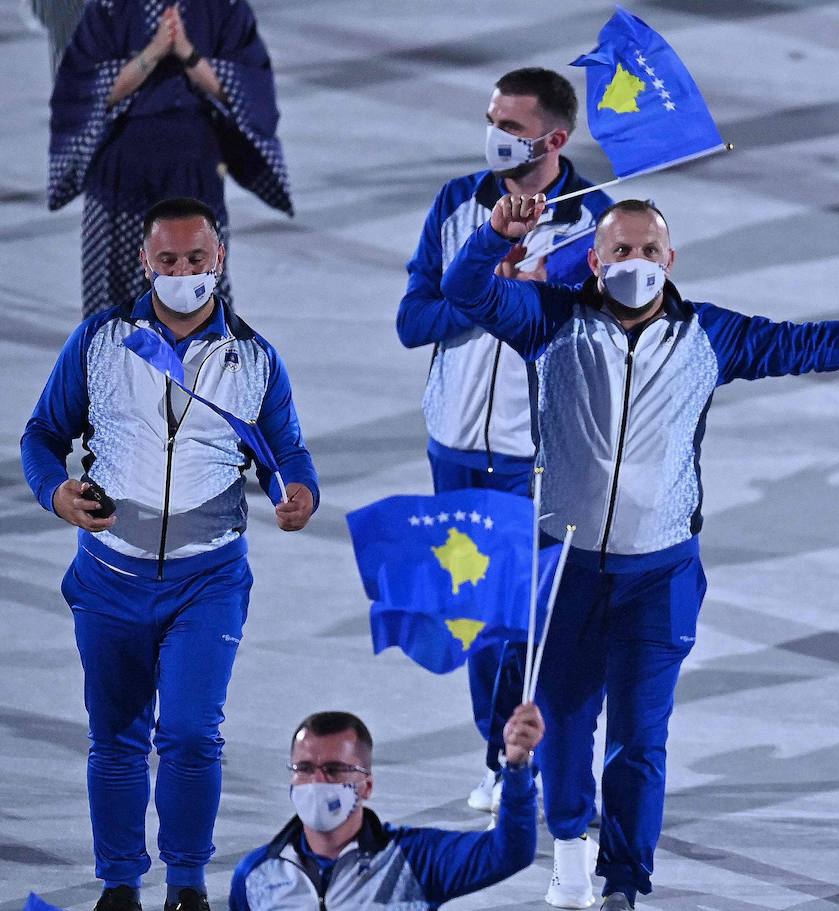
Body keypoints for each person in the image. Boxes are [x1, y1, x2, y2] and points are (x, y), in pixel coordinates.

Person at [440, 192, 839, 910]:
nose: (633, 262)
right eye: (619, 251)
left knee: (640, 737)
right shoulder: (550, 320)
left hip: (658, 574)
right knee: (565, 721)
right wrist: (492, 237)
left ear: (670, 260)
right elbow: (463, 291)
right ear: (595, 260)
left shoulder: (711, 336)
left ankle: (625, 881)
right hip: (563, 566)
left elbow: (810, 344)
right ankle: (569, 846)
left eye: (646, 250)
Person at [20, 197, 319, 911]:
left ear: (220, 260)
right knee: (117, 735)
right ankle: (120, 884)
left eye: (197, 260)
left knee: (189, 731)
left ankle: (187, 884)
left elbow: (287, 450)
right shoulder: (100, 342)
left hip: (207, 581)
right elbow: (41, 434)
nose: (184, 273)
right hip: (109, 580)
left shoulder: (253, 358)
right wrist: (56, 495)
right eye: (168, 261)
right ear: (144, 263)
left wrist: (299, 490)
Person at [396, 66, 612, 815]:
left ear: (555, 138)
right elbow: (411, 320)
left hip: (538, 457)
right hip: (454, 447)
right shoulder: (459, 203)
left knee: (533, 620)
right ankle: (502, 753)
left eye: (512, 127)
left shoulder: (598, 222)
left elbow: (602, 342)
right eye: (491, 118)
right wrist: (484, 286)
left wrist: (534, 293)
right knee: (482, 623)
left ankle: (544, 754)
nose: (495, 136)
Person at [49, 0, 291, 317]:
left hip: (195, 175)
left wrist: (186, 52)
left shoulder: (225, 7)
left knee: (197, 299)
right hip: (119, 178)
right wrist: (154, 51)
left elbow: (249, 93)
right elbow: (83, 93)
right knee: (114, 313)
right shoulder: (109, 6)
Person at [229, 704, 544, 911]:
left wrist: (516, 768)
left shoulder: (414, 860)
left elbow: (508, 853)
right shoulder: (255, 875)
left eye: (335, 769)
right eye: (305, 767)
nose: (317, 781)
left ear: (366, 785)